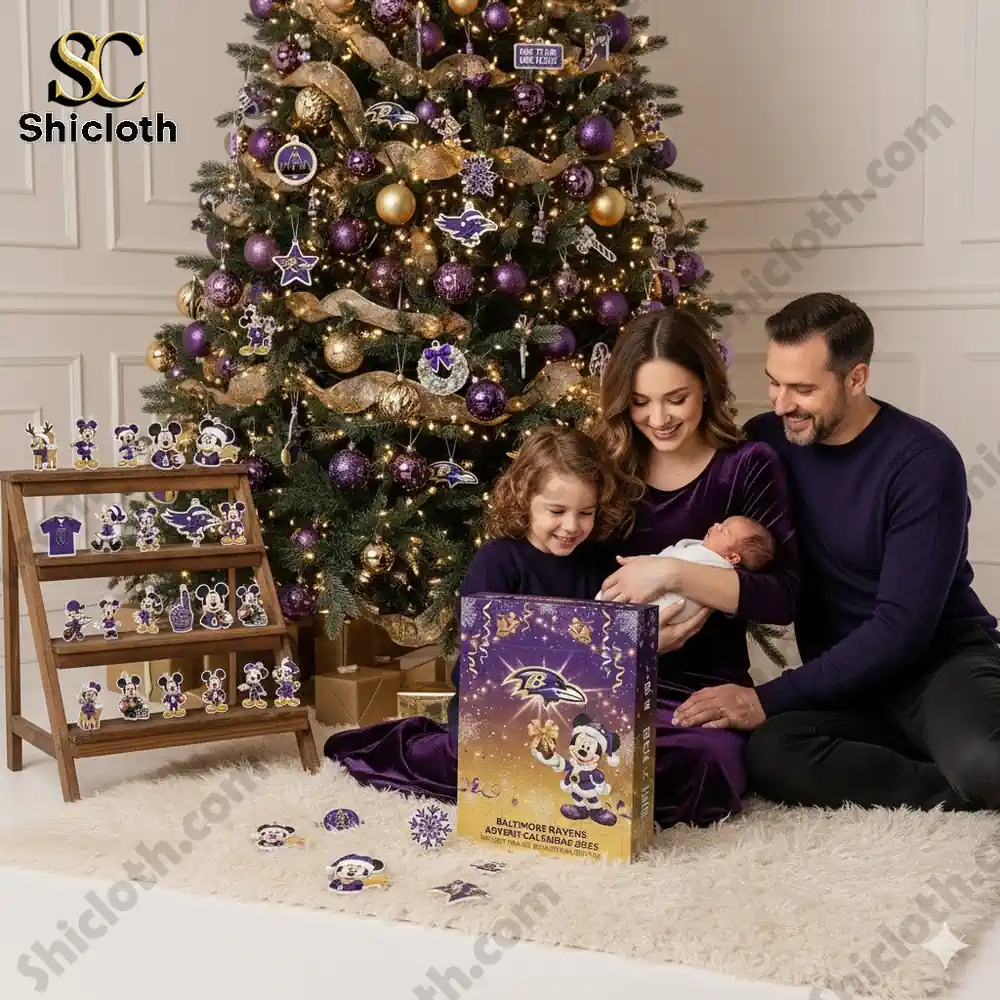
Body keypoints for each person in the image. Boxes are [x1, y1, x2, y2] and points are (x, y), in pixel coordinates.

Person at [670, 292, 1000, 811]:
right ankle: (948, 786)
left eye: (802, 389)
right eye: (774, 383)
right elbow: (707, 523)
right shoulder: (768, 443)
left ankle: (967, 762)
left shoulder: (922, 461)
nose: (781, 404)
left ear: (856, 378)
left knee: (986, 763)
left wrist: (766, 698)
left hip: (938, 668)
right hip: (846, 682)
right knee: (772, 754)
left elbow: (902, 629)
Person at [322, 426, 637, 801]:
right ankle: (390, 745)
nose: (572, 526)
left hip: (575, 711)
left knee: (600, 771)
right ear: (525, 500)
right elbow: (477, 662)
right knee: (478, 771)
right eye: (556, 511)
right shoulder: (498, 561)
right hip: (495, 709)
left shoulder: (598, 560)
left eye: (585, 512)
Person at [595, 310, 799, 828]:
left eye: (676, 399)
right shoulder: (609, 468)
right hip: (605, 672)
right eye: (640, 402)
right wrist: (632, 643)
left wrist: (673, 575)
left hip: (699, 691)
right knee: (516, 741)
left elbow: (782, 594)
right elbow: (571, 586)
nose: (658, 418)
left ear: (706, 388)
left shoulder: (748, 464)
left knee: (707, 768)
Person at [596, 515, 776, 621]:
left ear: (733, 557)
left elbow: (669, 565)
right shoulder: (697, 550)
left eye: (724, 530)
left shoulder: (712, 566)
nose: (716, 525)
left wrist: (648, 565)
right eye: (721, 523)